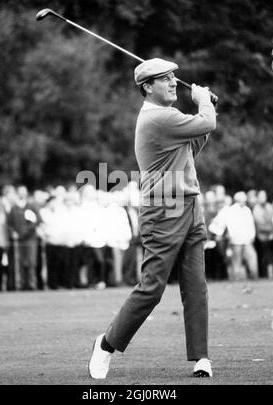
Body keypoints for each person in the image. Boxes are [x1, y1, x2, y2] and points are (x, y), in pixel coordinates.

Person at [89, 58, 216, 379]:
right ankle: (105, 344)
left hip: (189, 203)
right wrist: (203, 103)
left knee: (196, 285)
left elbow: (195, 145)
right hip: (164, 207)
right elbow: (207, 125)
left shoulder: (168, 119)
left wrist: (208, 108)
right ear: (147, 87)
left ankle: (201, 357)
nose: (174, 82)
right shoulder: (158, 118)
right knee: (152, 288)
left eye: (174, 76)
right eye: (165, 79)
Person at [209, 191, 258, 280]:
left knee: (252, 259)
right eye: (242, 200)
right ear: (237, 200)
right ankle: (237, 280)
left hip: (247, 240)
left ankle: (255, 278)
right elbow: (217, 224)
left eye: (244, 201)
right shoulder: (230, 210)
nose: (244, 202)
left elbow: (251, 225)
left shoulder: (247, 210)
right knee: (237, 263)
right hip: (236, 241)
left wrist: (252, 236)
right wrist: (220, 234)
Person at [253, 190, 273, 278]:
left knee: (271, 257)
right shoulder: (256, 209)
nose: (263, 198)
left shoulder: (269, 207)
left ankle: (272, 275)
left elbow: (272, 220)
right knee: (263, 257)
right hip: (261, 237)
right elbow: (259, 224)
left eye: (264, 196)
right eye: (261, 196)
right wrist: (270, 230)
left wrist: (272, 232)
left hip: (271, 236)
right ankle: (264, 275)